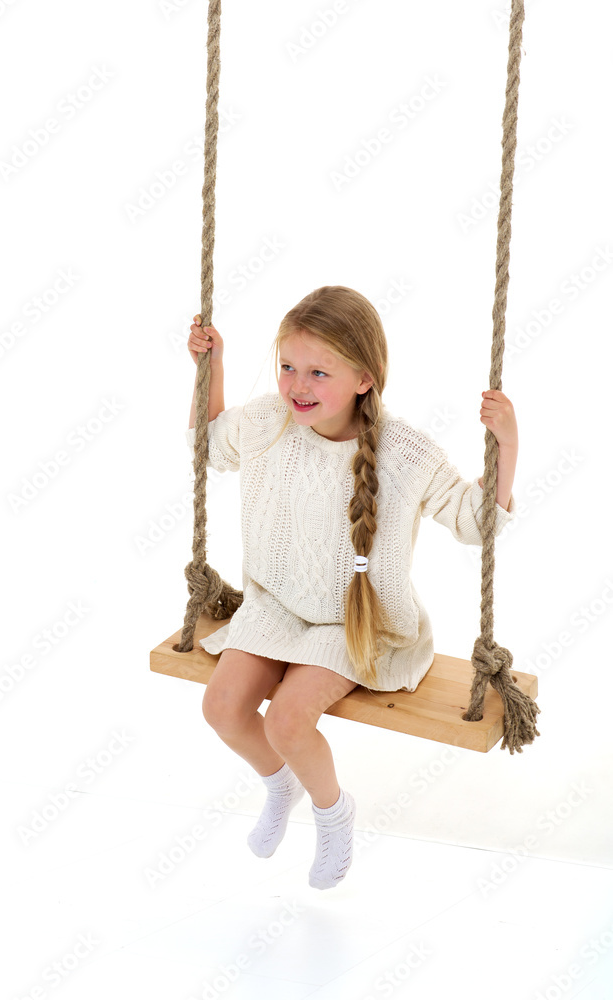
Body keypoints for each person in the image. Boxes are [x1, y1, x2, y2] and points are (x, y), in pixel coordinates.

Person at [185, 285, 518, 890]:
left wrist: (507, 442)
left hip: (355, 622)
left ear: (365, 378)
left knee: (288, 720)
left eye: (318, 371)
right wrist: (214, 368)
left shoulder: (404, 452)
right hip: (276, 606)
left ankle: (332, 812)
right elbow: (208, 446)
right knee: (222, 707)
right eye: (288, 366)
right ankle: (277, 782)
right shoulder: (265, 420)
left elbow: (476, 523)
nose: (297, 385)